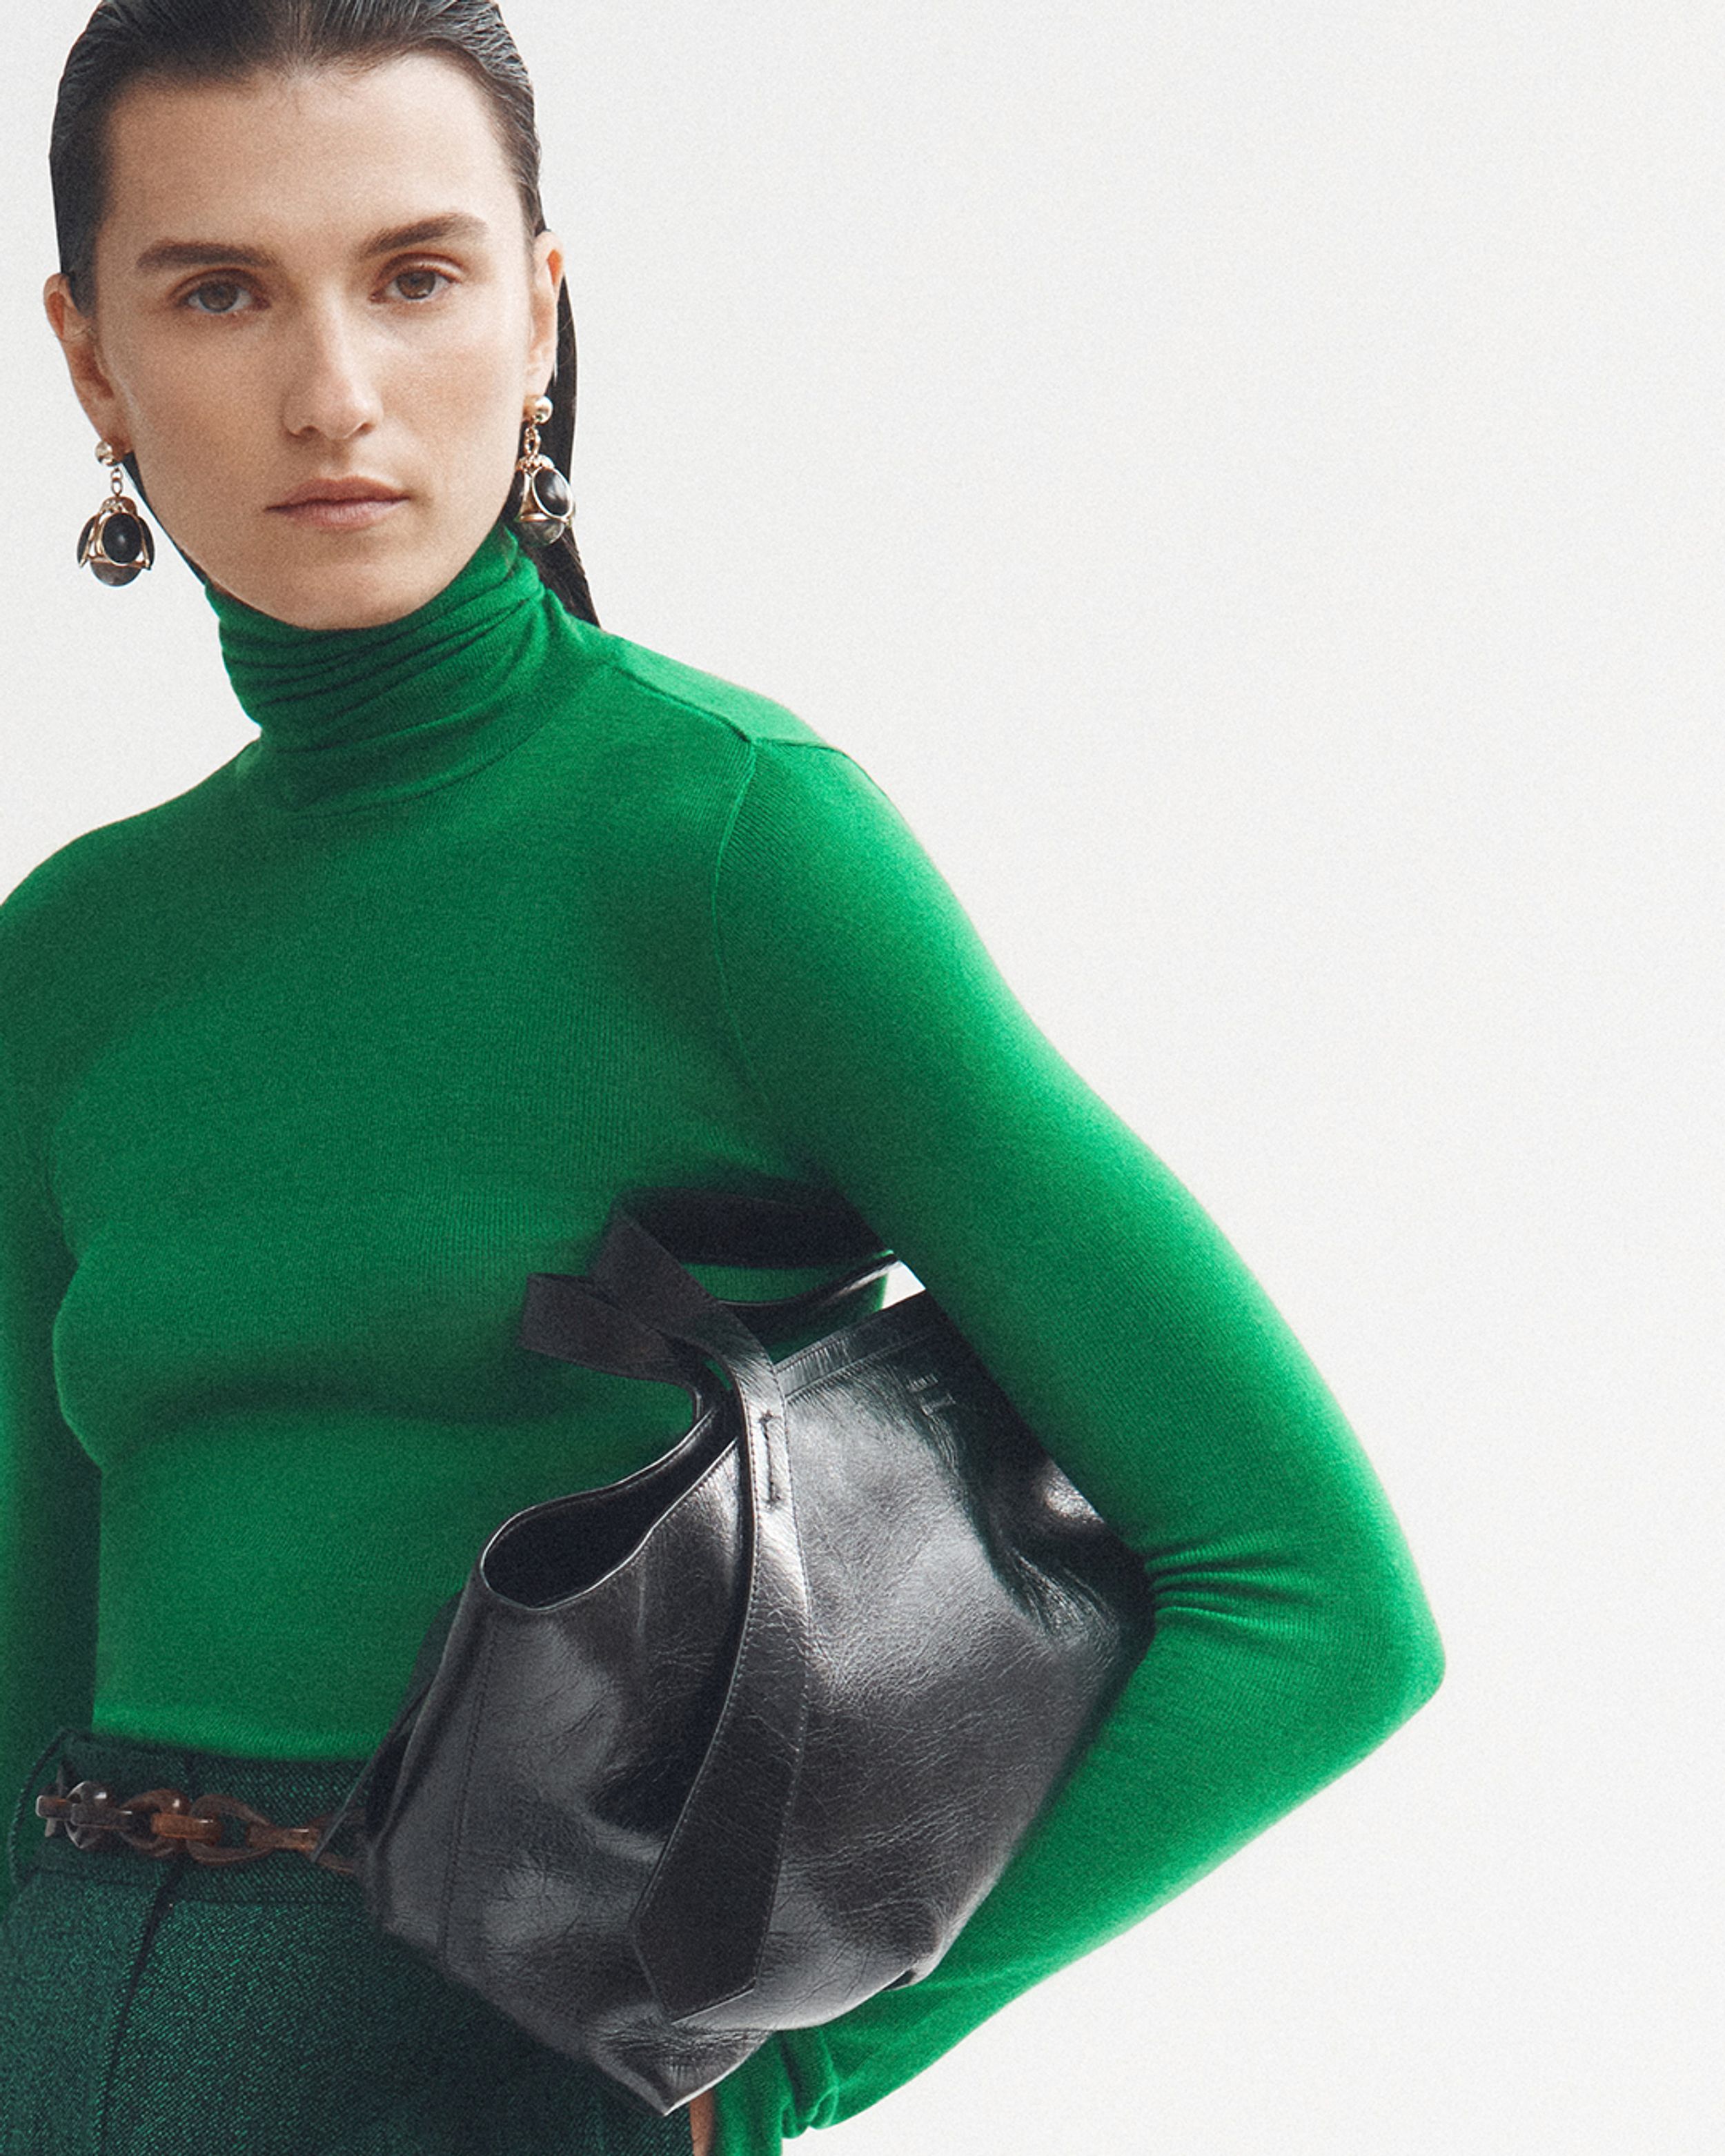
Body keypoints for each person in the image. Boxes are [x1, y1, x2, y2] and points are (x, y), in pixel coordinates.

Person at [0, 3, 1445, 2153]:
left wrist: (758, 2091)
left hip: (504, 2076)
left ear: (537, 315)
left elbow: (1310, 1601)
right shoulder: (70, 950)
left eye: (415, 276)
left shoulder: (731, 847)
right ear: (95, 363)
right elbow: (30, 1644)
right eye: (220, 293)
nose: (333, 391)